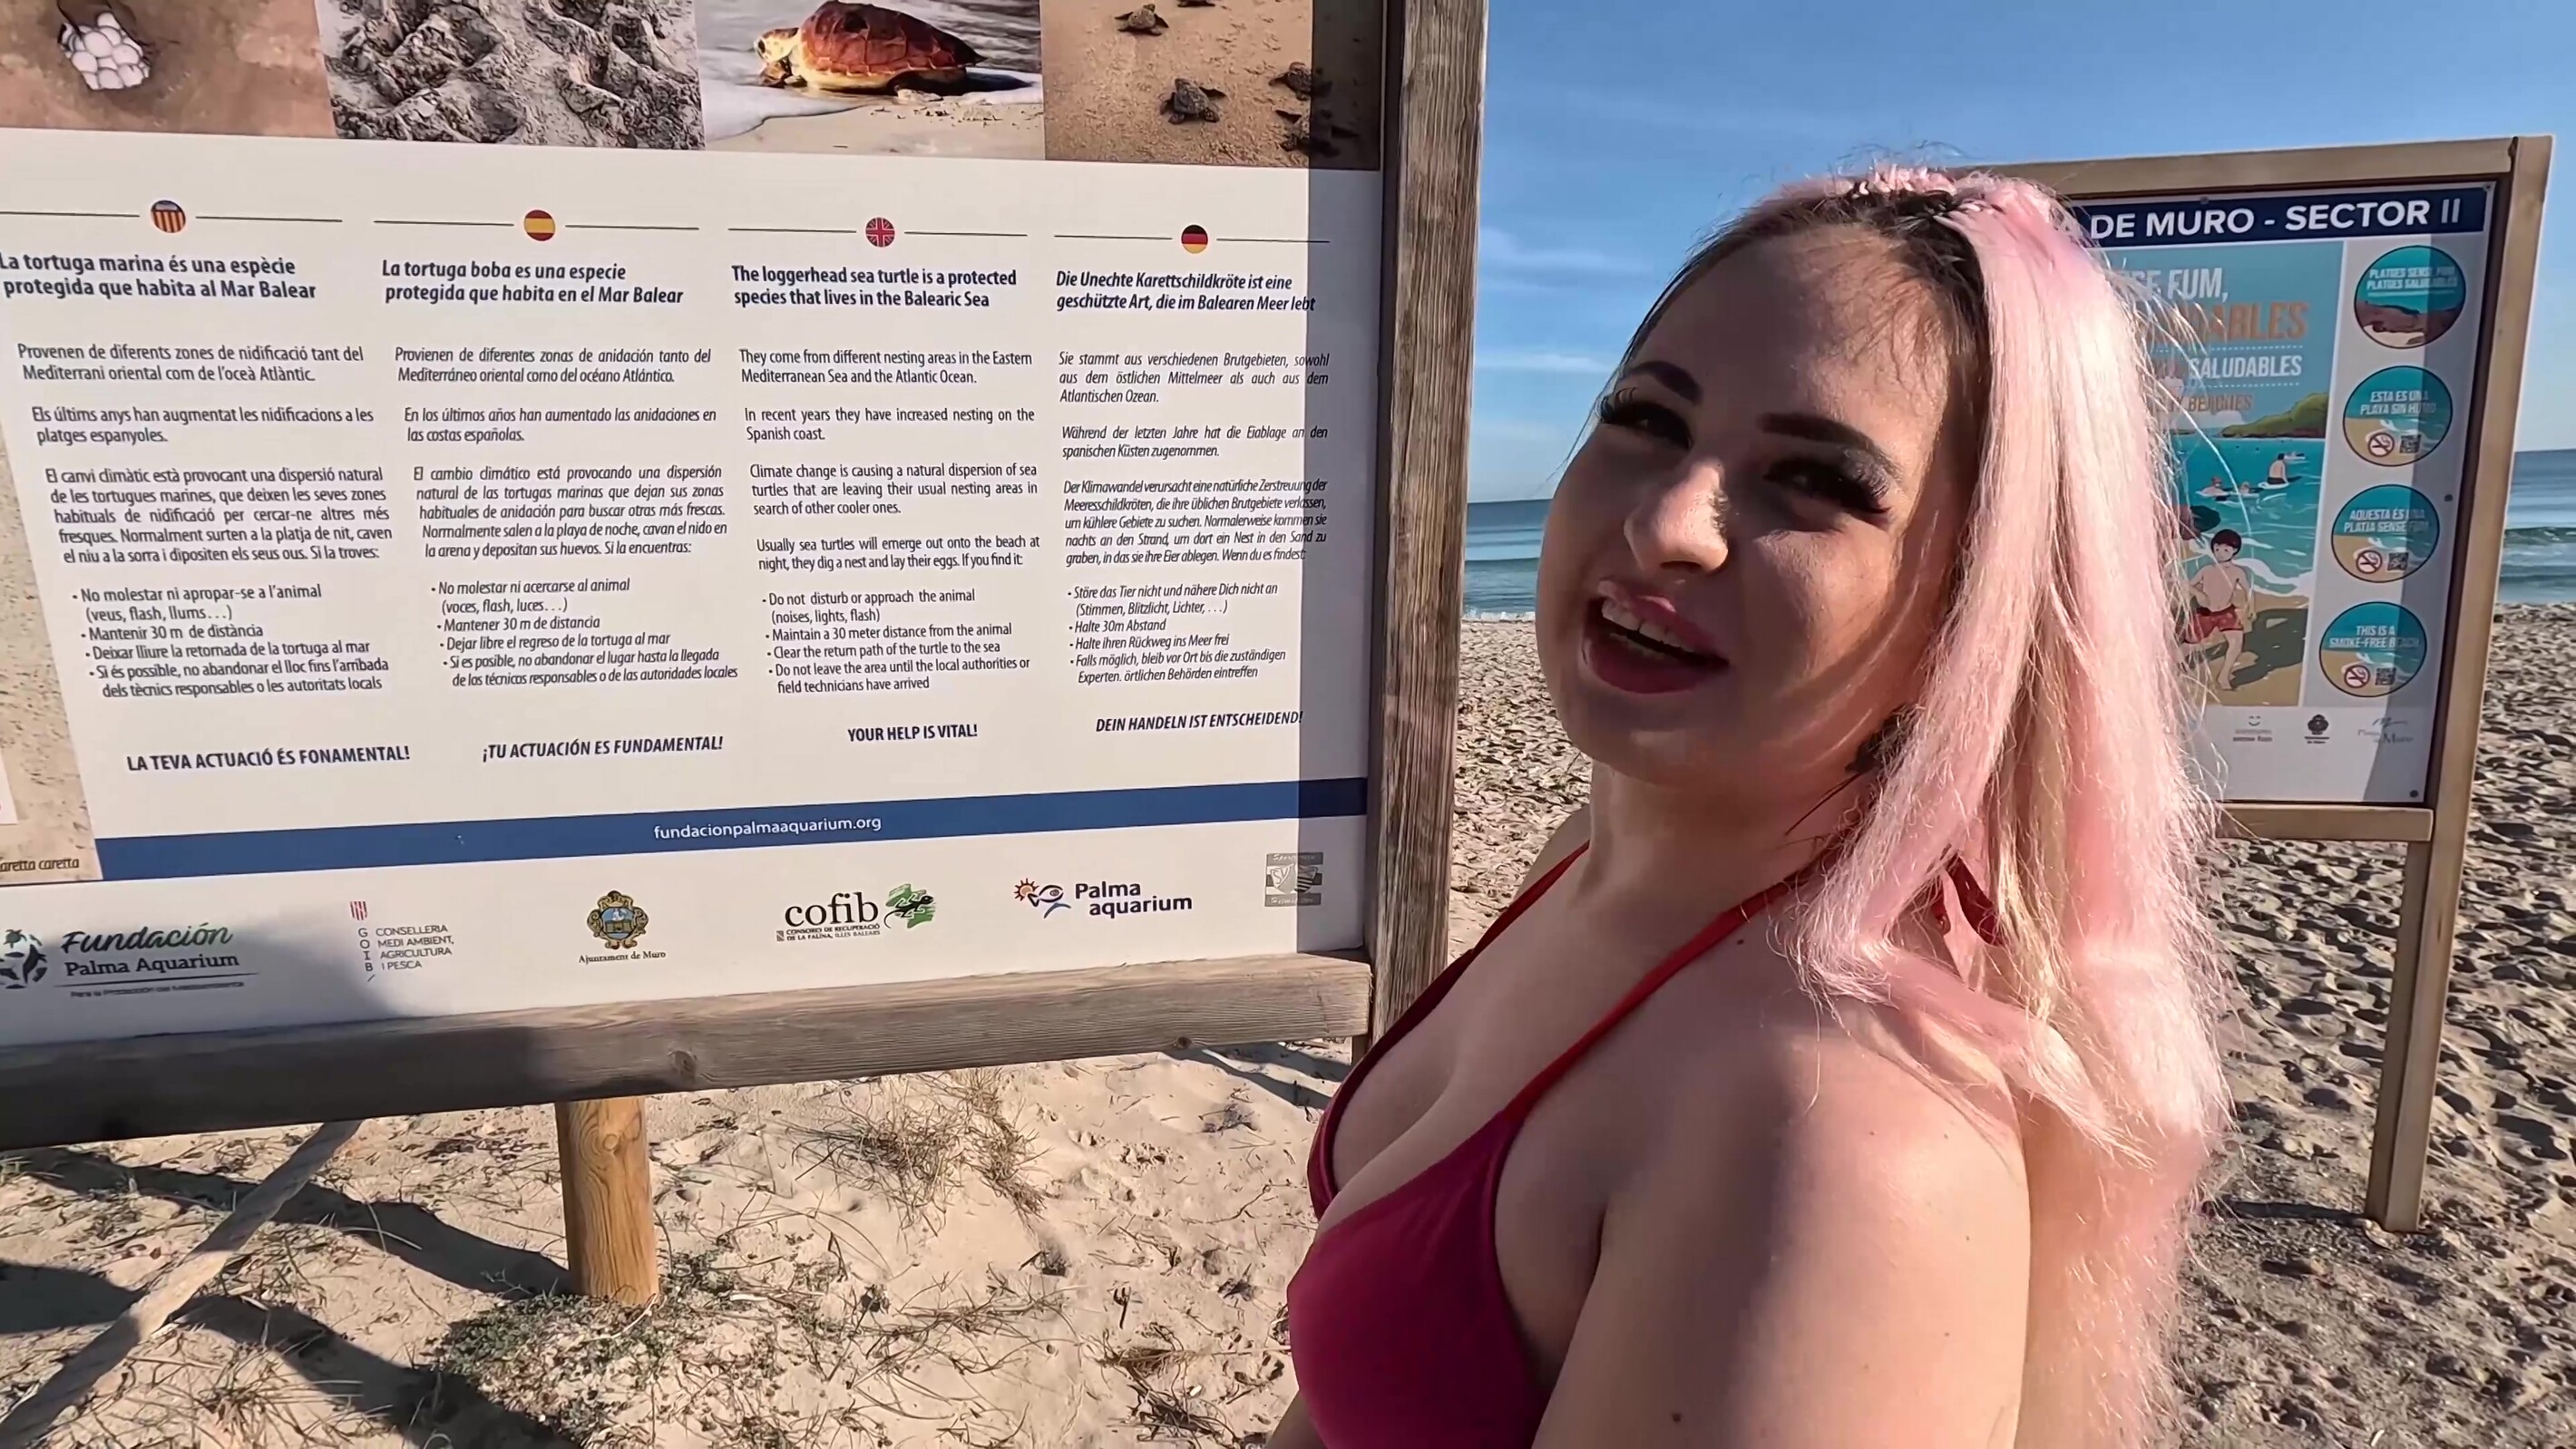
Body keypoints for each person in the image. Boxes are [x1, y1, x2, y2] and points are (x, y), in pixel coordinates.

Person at [1267, 168, 2229, 1449]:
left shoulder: (1836, 1134)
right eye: (1646, 417)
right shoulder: (1588, 859)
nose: (1668, 522)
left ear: (1977, 603)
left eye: (1814, 479)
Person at [2184, 529, 2254, 693]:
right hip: (2206, 613)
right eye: (2217, 549)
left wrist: (2251, 607)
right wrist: (2199, 594)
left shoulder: (2237, 572)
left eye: (2226, 550)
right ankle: (2173, 664)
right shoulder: (2207, 570)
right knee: (2189, 645)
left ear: (2234, 551)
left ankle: (2223, 677)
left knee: (2236, 643)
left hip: (2226, 612)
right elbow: (2188, 584)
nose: (2220, 554)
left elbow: (2247, 589)